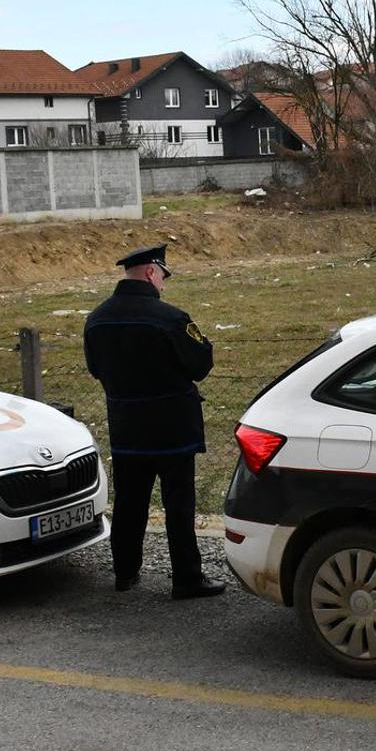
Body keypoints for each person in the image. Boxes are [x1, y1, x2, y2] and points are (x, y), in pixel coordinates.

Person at [84, 245, 225, 597]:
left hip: (127, 428)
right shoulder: (171, 318)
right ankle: (187, 578)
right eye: (163, 276)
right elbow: (201, 365)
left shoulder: (96, 319)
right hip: (172, 429)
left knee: (130, 503)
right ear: (150, 272)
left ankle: (125, 573)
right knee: (178, 505)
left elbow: (95, 369)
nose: (163, 284)